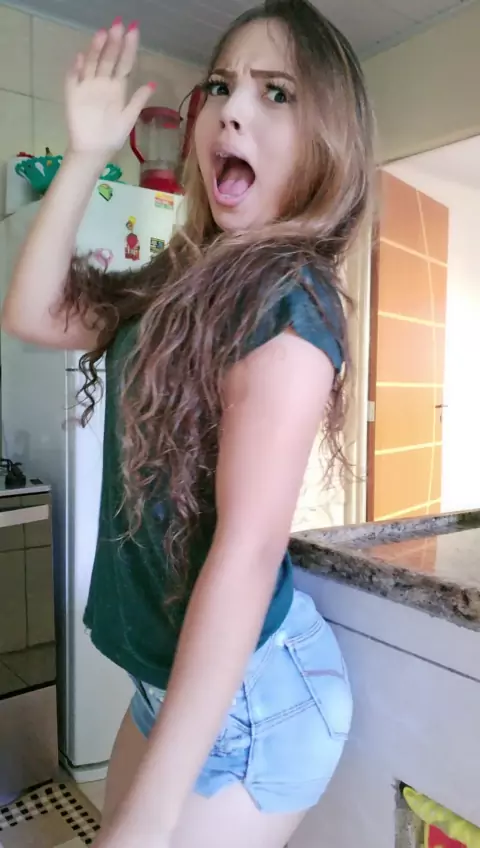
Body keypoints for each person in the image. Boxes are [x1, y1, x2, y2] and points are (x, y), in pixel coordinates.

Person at [2, 0, 374, 845]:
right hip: (168, 685)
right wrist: (86, 156)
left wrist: (149, 817)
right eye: (221, 84)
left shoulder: (292, 300)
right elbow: (31, 312)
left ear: (328, 141)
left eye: (276, 92)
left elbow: (246, 555)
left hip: (254, 704)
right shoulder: (183, 274)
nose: (232, 108)